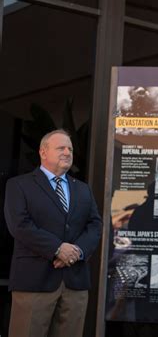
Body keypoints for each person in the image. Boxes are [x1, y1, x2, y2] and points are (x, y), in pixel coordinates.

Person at [4, 129, 102, 337]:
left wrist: (77, 251)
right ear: (43, 152)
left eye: (70, 149)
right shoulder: (19, 185)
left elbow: (94, 225)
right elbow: (19, 225)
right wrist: (57, 249)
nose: (67, 152)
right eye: (61, 148)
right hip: (34, 281)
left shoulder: (83, 189)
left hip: (75, 283)